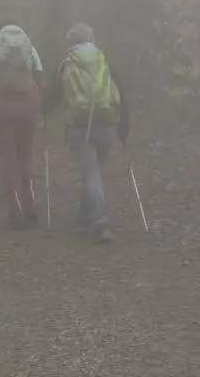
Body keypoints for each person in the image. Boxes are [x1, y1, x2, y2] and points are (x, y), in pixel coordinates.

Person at [51, 22, 130, 243]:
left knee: (91, 174)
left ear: (71, 43)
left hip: (79, 126)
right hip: (107, 124)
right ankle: (85, 214)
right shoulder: (105, 60)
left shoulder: (67, 63)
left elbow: (53, 97)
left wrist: (43, 110)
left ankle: (100, 221)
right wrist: (123, 127)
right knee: (94, 172)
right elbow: (120, 93)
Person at [0, 21, 45, 230]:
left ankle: (15, 211)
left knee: (7, 157)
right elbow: (41, 80)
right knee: (26, 155)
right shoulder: (29, 47)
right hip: (27, 105)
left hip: (2, 106)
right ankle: (30, 207)